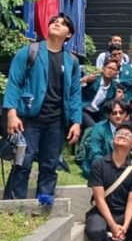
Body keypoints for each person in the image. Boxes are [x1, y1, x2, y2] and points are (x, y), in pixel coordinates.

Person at [4, 13, 83, 201]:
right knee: (22, 162)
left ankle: (45, 203)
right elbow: (14, 83)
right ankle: (14, 202)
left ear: (69, 34)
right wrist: (11, 113)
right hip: (28, 118)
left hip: (56, 121)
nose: (57, 24)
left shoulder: (71, 61)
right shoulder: (29, 51)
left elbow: (74, 94)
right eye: (54, 22)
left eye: (62, 24)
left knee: (50, 164)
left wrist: (76, 122)